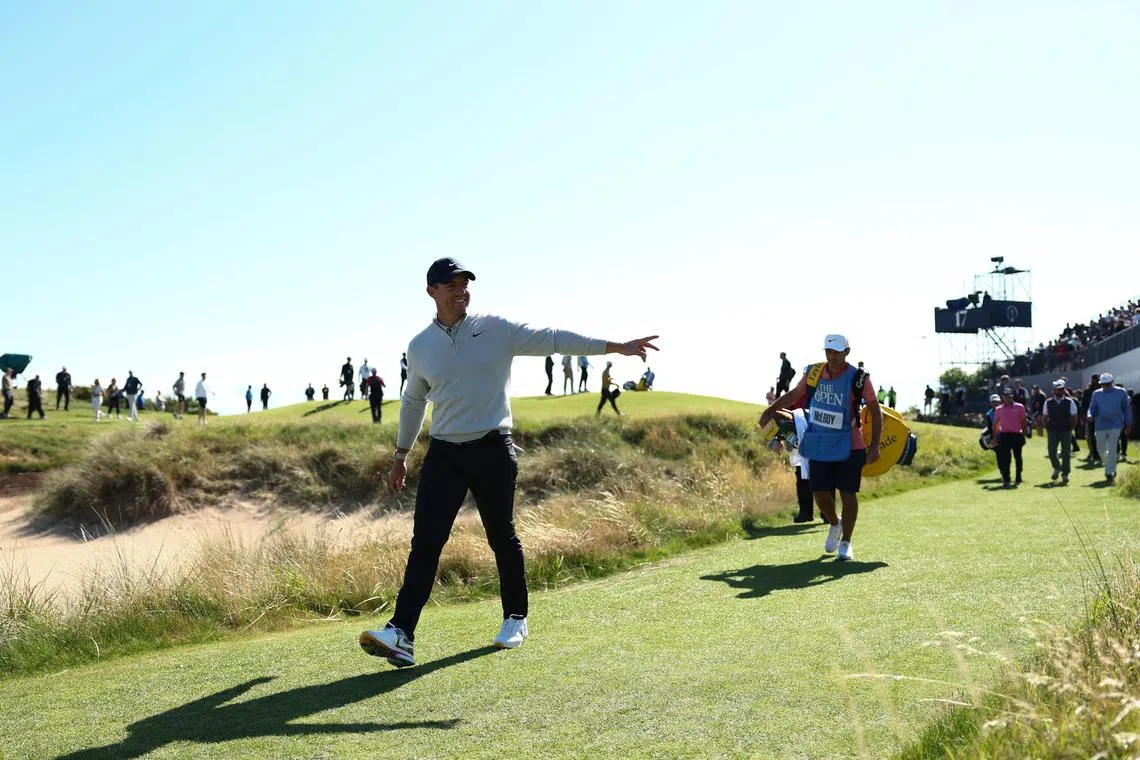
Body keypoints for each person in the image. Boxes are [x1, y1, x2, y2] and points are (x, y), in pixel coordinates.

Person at [359, 257, 658, 668]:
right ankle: (402, 634)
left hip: (492, 447)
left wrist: (615, 347)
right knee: (426, 542)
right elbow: (413, 401)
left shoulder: (496, 328)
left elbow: (552, 338)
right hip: (444, 452)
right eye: (452, 285)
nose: (461, 290)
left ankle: (515, 617)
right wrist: (400, 455)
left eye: (466, 283)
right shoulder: (420, 345)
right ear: (432, 290)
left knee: (502, 535)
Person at [759, 334, 882, 563]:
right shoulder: (814, 372)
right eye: (828, 351)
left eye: (836, 352)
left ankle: (846, 543)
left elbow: (875, 412)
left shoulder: (859, 378)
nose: (831, 356)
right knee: (819, 494)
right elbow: (795, 395)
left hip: (850, 443)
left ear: (847, 352)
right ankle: (835, 523)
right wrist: (770, 410)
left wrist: (874, 446)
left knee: (848, 494)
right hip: (819, 442)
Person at [1087, 373, 1132, 483]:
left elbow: (1127, 409)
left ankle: (1109, 472)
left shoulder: (1121, 392)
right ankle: (1111, 463)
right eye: (1103, 384)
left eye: (1107, 384)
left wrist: (1128, 424)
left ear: (1112, 383)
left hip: (1116, 424)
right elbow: (1092, 407)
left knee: (1112, 448)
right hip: (1100, 425)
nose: (1105, 386)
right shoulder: (1096, 393)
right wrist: (1089, 414)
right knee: (1100, 449)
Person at [993, 387, 1029, 488]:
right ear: (1002, 397)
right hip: (1004, 435)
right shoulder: (999, 409)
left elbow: (1023, 422)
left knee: (1018, 456)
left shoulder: (1019, 407)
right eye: (1005, 396)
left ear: (1012, 396)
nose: (1007, 398)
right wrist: (994, 437)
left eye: (1009, 396)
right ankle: (1007, 479)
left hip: (1017, 434)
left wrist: (1024, 434)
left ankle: (1018, 475)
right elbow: (996, 424)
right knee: (1005, 458)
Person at [1043, 379, 1078, 484]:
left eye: (1062, 389)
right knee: (1051, 452)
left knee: (1066, 453)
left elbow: (1074, 417)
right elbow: (1044, 417)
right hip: (1052, 430)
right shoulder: (1048, 402)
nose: (1060, 391)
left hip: (1066, 430)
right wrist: (1047, 428)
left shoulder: (1069, 402)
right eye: (1058, 390)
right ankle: (1057, 467)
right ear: (1054, 391)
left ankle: (1065, 474)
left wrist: (1071, 428)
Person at [1081, 374, 1101, 464]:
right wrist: (1084, 415)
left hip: (1101, 416)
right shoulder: (1087, 391)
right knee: (1089, 435)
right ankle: (1091, 452)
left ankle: (1099, 452)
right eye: (1095, 379)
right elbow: (1084, 405)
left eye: (1097, 379)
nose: (1096, 381)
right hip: (1090, 416)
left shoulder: (1103, 390)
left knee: (1100, 435)